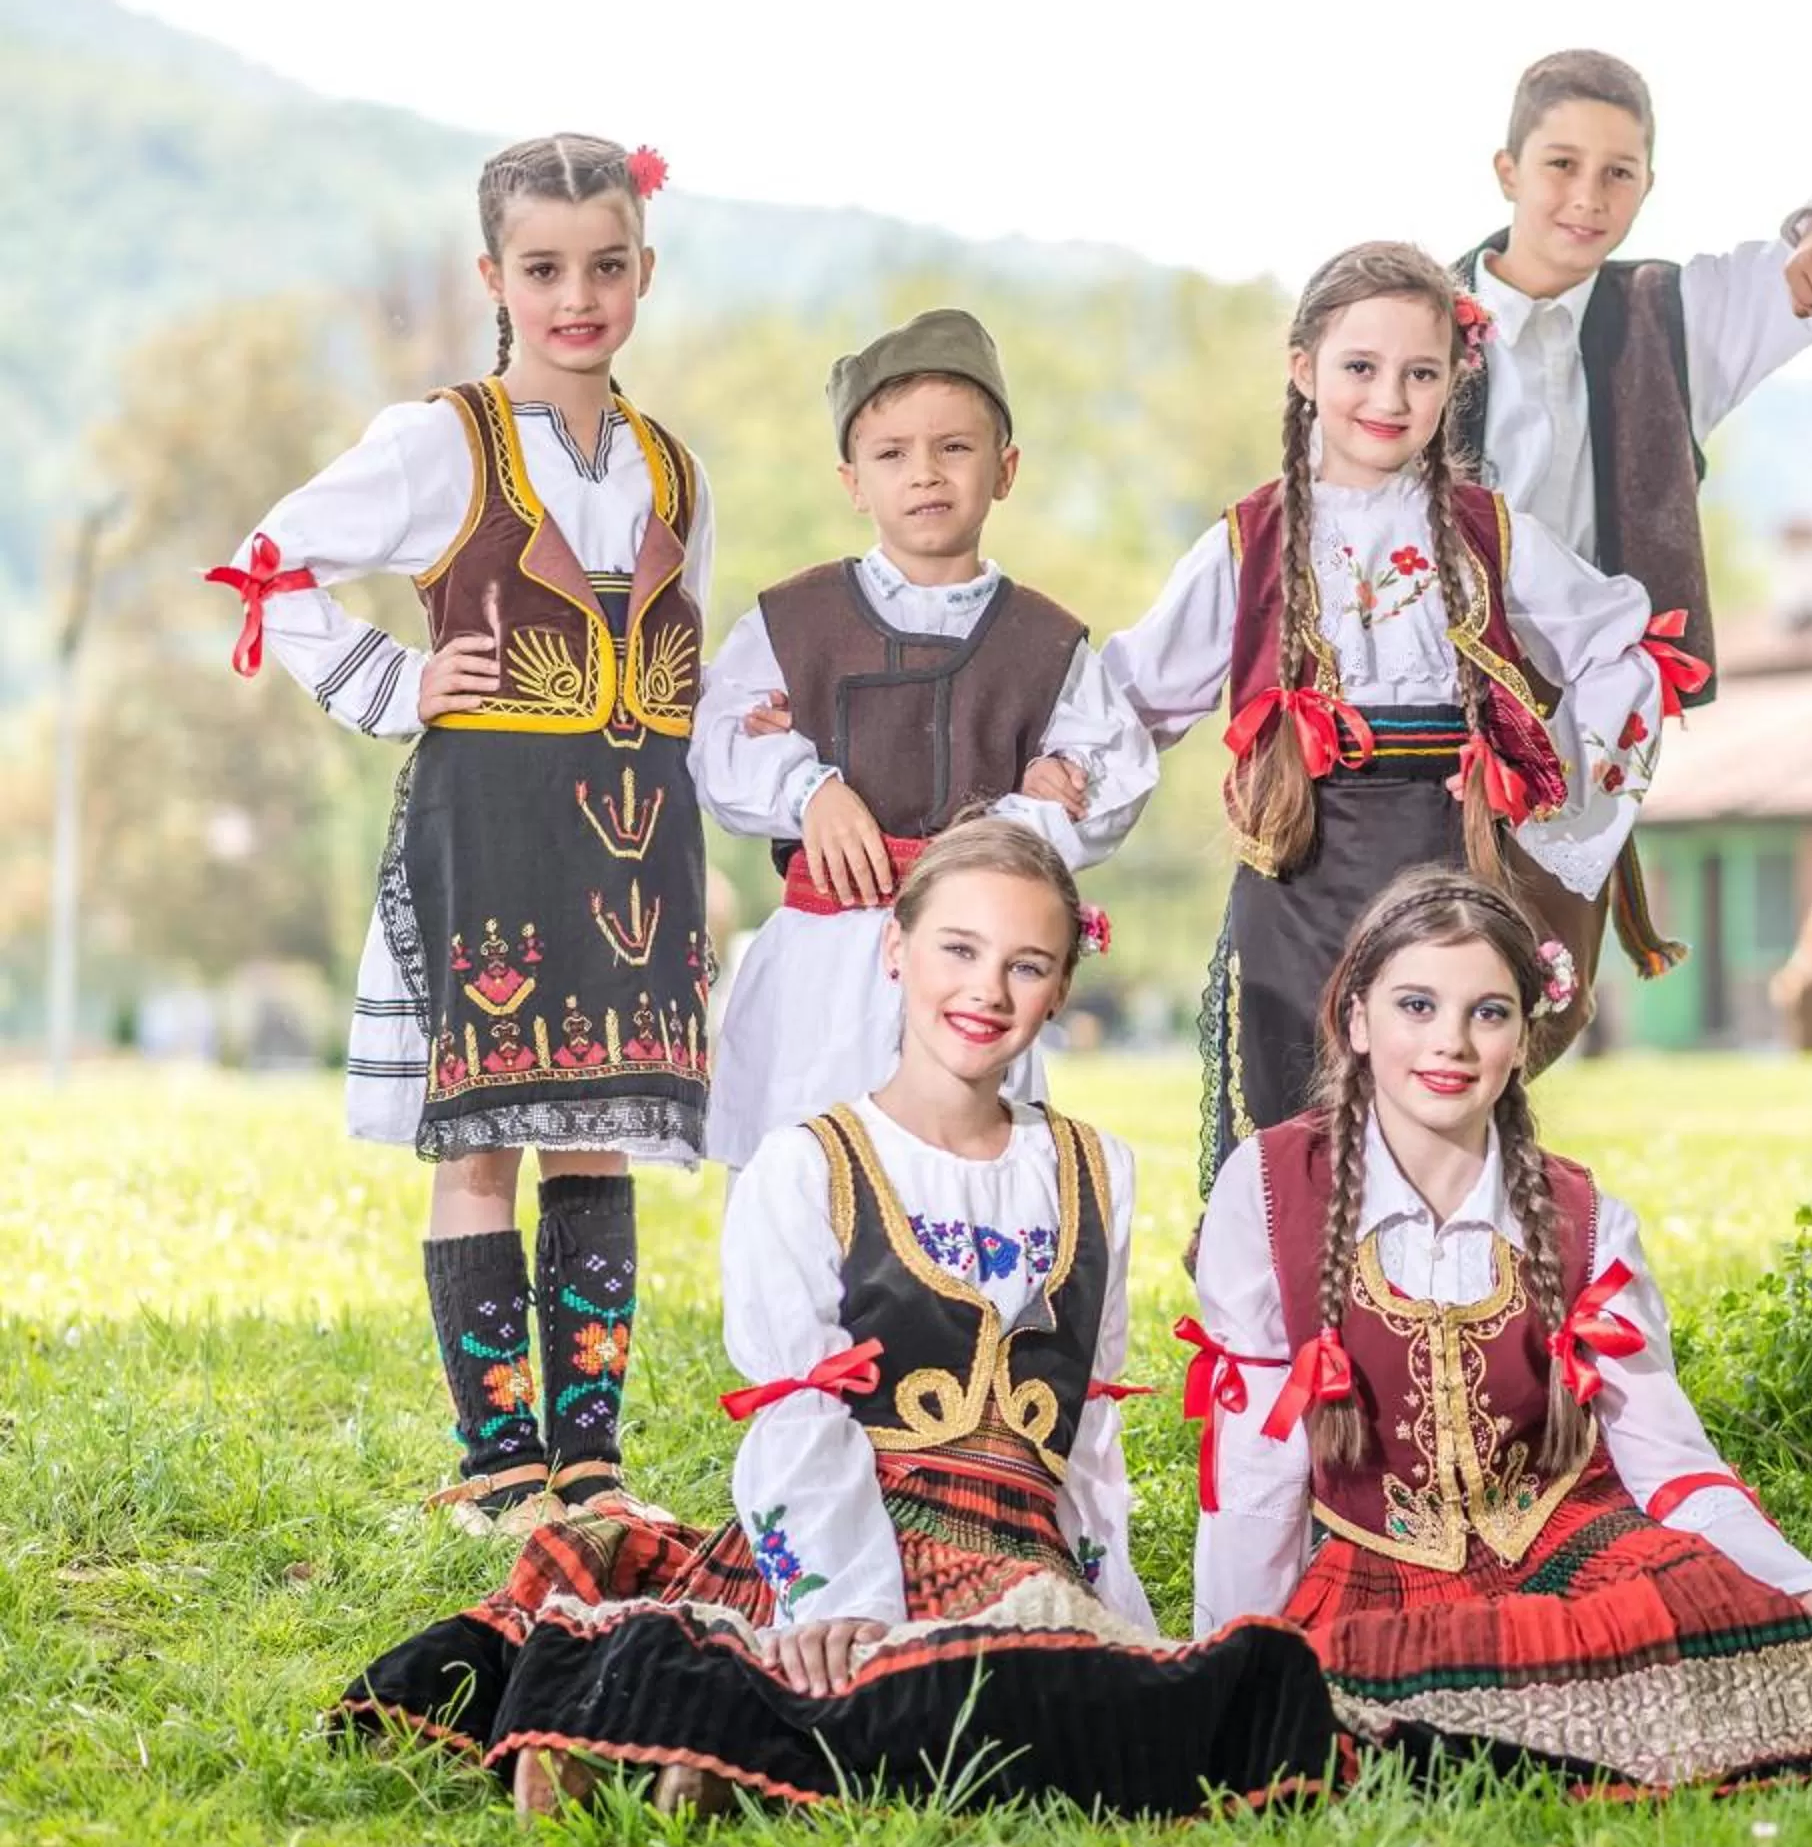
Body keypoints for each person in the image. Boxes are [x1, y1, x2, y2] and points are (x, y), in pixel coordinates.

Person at [335, 822, 1339, 1817]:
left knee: (1060, 1682)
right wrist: (845, 1601)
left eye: (1026, 965)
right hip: (854, 1530)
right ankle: (683, 1736)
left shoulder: (1094, 1170)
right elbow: (799, 1415)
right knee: (882, 1667)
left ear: (1063, 984)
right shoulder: (811, 1163)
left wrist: (1110, 1601)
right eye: (959, 949)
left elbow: (1088, 1428)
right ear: (895, 949)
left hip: (1017, 1545)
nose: (987, 990)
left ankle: (726, 1752)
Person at [1178, 868, 1812, 1788]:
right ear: (1355, 1019)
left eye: (1488, 1011)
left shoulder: (1581, 1218)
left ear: (1524, 1038)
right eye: (1416, 1006)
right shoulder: (1271, 1191)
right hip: (1384, 1575)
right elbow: (1256, 1466)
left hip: (1572, 1547)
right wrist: (1222, 1658)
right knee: (1348, 1693)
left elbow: (1669, 1460)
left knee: (1707, 1610)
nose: (1451, 1043)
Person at [206, 134, 714, 1531]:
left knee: (598, 1132)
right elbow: (269, 563)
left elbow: (692, 653)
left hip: (633, 842)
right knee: (485, 1139)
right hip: (485, 822)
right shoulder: (441, 440)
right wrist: (394, 682)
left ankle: (591, 1465)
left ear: (646, 270)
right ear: (494, 276)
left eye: (606, 267)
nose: (577, 298)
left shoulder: (674, 467)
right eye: (544, 269)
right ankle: (502, 1466)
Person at [1099, 242, 1668, 1195]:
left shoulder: (1490, 532)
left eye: (1421, 373)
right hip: (1298, 873)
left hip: (1447, 859)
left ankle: (1442, 1283)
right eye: (1360, 367)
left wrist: (1553, 796)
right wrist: (1058, 792)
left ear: (1455, 380)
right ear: (1304, 369)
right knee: (1294, 1120)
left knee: (1439, 1108)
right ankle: (1292, 1287)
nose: (1389, 398)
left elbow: (1621, 646)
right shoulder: (1249, 541)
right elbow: (1131, 694)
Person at [1448, 49, 1812, 1043]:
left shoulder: (1672, 318)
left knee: (1539, 1004)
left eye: (1619, 172)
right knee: (1405, 989)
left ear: (1647, 185)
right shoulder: (1422, 319)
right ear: (1507, 171)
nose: (1587, 197)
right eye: (1560, 164)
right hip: (1426, 715)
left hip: (1582, 728)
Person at [691, 307, 1156, 1162]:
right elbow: (720, 747)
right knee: (805, 1160)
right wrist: (808, 790)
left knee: (958, 1160)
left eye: (955, 447)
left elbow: (1113, 776)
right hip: (825, 960)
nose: (925, 474)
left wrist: (1015, 825)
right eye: (892, 454)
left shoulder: (1044, 643)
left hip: (974, 969)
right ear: (853, 481)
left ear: (1004, 469)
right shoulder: (794, 622)